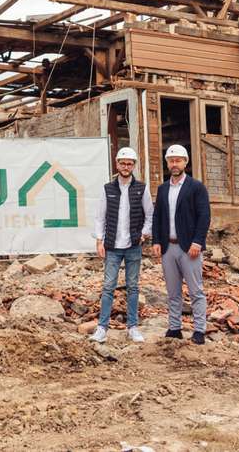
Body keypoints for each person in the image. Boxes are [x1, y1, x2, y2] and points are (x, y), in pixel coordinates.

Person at [90, 147, 153, 344]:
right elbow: (100, 217)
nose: (126, 167)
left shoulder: (141, 188)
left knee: (133, 287)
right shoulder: (107, 189)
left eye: (129, 164)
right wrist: (99, 240)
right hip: (112, 246)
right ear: (117, 164)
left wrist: (144, 234)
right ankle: (102, 328)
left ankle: (133, 327)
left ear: (133, 166)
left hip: (133, 245)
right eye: (123, 163)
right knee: (108, 287)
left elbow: (150, 214)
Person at [151, 144, 210, 344]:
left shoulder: (196, 187)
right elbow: (158, 217)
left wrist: (198, 242)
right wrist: (156, 241)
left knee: (196, 291)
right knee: (173, 292)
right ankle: (174, 328)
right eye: (171, 160)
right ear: (167, 163)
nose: (174, 164)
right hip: (168, 247)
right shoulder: (163, 188)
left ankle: (199, 330)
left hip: (189, 248)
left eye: (178, 160)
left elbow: (204, 216)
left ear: (185, 162)